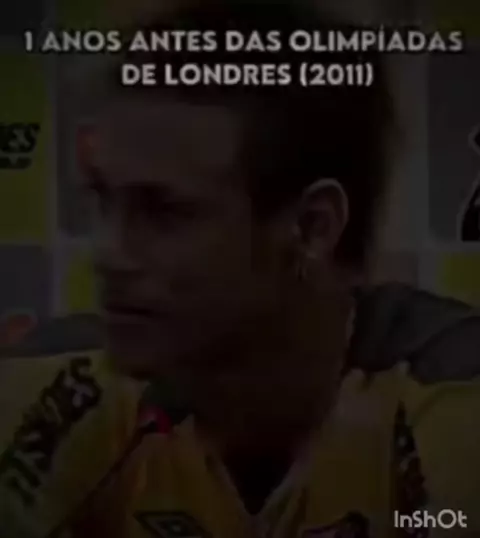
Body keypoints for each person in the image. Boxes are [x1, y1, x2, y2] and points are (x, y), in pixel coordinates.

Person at [1, 2, 480, 537]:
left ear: (312, 227)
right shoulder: (58, 381)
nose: (107, 254)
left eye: (164, 211)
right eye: (103, 200)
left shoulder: (452, 390)